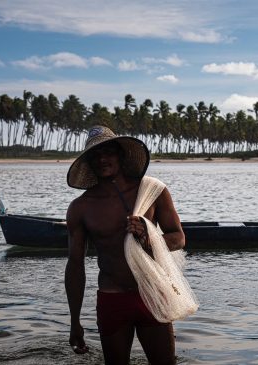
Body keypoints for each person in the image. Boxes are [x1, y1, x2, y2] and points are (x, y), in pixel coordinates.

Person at [65, 126, 185, 365]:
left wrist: (149, 236)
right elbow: (75, 266)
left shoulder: (152, 191)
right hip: (112, 299)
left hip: (152, 293)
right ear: (89, 162)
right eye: (95, 155)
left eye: (107, 152)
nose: (102, 159)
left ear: (120, 154)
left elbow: (178, 238)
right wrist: (75, 321)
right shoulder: (81, 207)